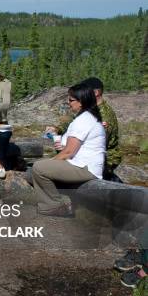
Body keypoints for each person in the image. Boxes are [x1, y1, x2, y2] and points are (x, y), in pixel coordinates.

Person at [31, 82, 106, 216]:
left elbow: (69, 152)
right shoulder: (84, 117)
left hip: (85, 168)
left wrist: (53, 161)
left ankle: (55, 205)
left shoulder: (84, 120)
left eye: (71, 100)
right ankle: (59, 200)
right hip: (78, 164)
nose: (68, 102)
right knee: (33, 171)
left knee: (39, 168)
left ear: (81, 102)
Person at [46, 77, 120, 181]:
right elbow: (71, 123)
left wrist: (67, 148)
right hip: (81, 156)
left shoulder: (105, 115)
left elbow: (98, 143)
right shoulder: (87, 108)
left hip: (103, 160)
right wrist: (57, 129)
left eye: (86, 90)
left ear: (96, 93)